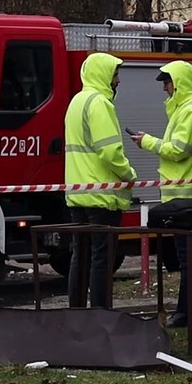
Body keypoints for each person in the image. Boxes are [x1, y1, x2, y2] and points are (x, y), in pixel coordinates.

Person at [132, 60, 192, 327]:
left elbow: (178, 150)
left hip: (184, 199)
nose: (165, 89)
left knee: (188, 259)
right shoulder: (185, 110)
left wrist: (147, 141)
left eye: (166, 83)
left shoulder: (190, 110)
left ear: (177, 82)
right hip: (184, 196)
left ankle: (187, 312)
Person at [65, 52, 137, 308]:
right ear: (104, 75)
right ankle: (100, 313)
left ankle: (76, 311)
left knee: (79, 256)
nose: (118, 80)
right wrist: (130, 175)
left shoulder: (76, 102)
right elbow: (110, 151)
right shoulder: (100, 104)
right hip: (102, 197)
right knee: (101, 259)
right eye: (115, 74)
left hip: (78, 194)